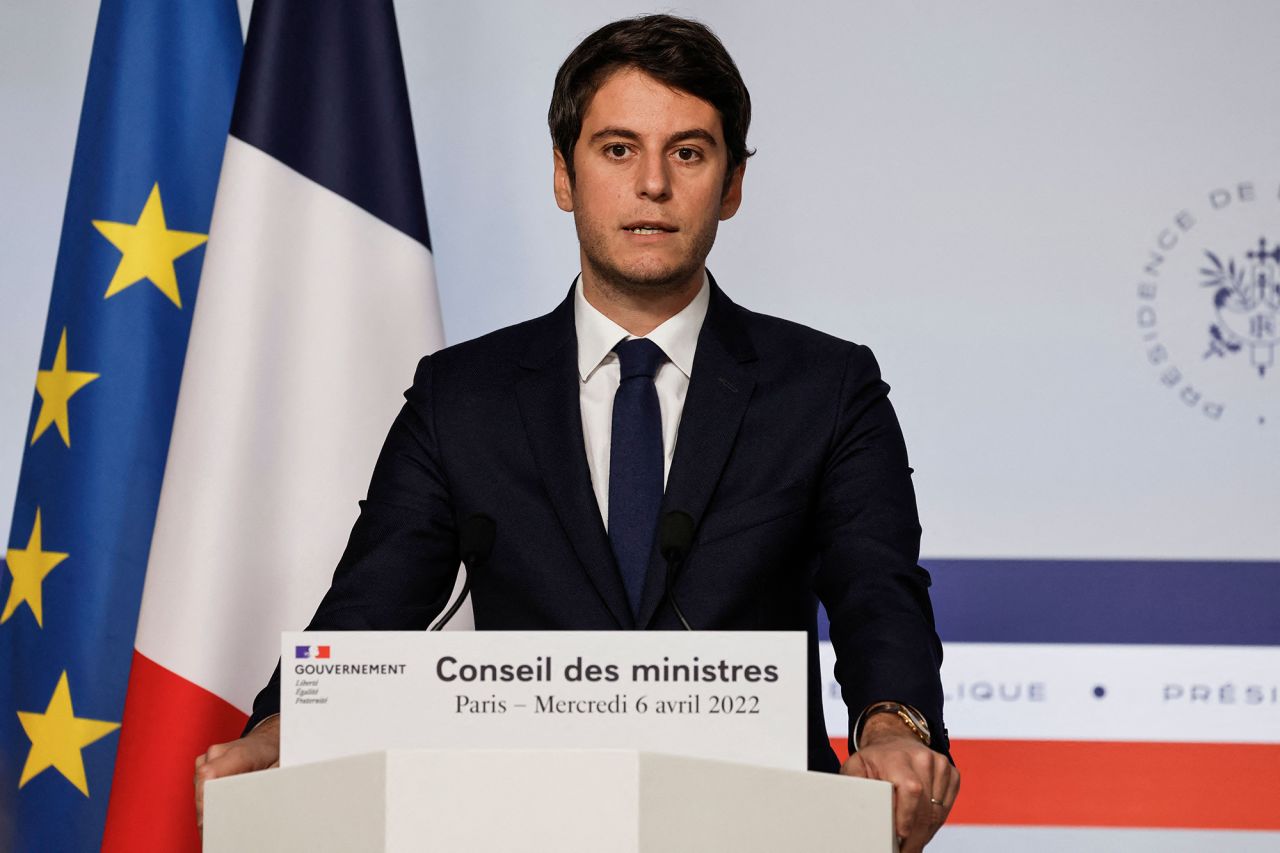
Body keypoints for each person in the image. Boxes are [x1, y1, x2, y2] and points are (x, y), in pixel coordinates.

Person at [195, 14, 959, 850]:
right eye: (618, 149)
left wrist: (895, 727)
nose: (654, 185)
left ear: (733, 185)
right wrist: (281, 730)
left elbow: (876, 591)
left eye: (690, 152)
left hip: (763, 826)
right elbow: (371, 606)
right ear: (564, 174)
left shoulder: (826, 388)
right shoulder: (463, 397)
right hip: (522, 823)